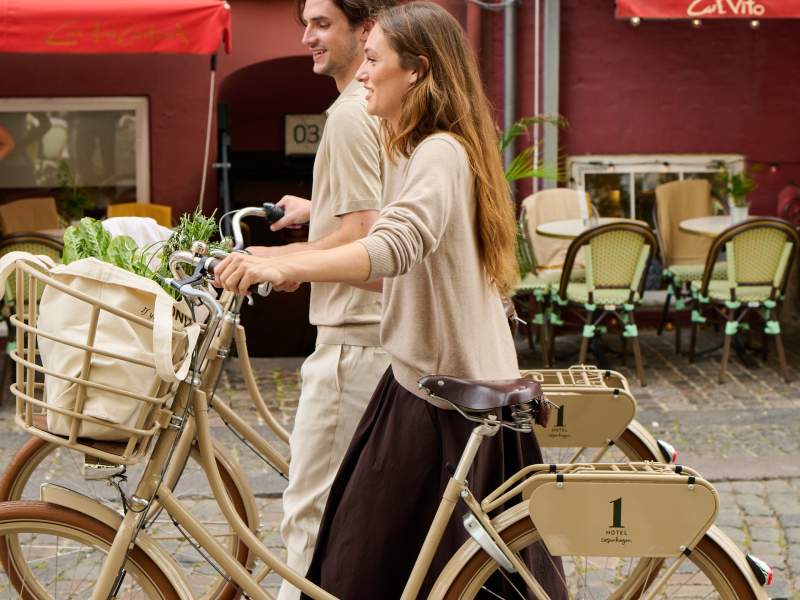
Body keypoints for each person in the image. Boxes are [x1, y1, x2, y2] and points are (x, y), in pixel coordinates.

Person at [214, 3, 565, 598]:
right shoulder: (432, 150)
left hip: (436, 400)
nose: (366, 75)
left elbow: (392, 246)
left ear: (418, 72)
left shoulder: (438, 153)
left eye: (375, 61)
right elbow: (398, 263)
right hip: (423, 387)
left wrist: (288, 263)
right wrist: (287, 254)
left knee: (353, 557)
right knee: (393, 561)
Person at [245, 0, 394, 597]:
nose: (307, 36)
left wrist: (284, 263)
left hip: (354, 344)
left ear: (365, 29)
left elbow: (364, 237)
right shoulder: (375, 107)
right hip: (382, 338)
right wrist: (315, 215)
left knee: (310, 521)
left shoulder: (351, 116)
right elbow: (373, 216)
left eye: (322, 23)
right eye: (304, 23)